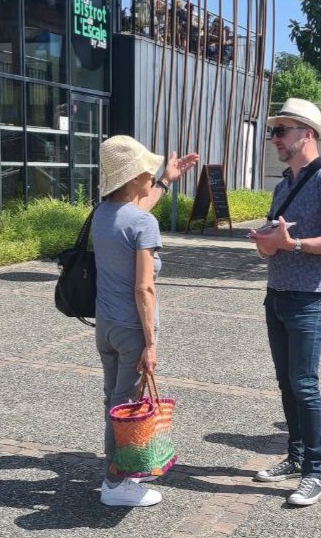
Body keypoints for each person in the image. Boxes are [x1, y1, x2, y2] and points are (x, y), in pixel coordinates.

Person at [249, 98, 321, 507]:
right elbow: (277, 240)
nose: (274, 138)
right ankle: (293, 457)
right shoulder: (282, 185)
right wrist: (266, 244)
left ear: (306, 133)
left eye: (282, 131)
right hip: (276, 295)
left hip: (311, 300)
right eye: (274, 131)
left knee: (305, 385)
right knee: (286, 383)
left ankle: (314, 472)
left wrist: (292, 244)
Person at [93, 136, 199, 508]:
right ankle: (116, 483)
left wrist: (167, 179)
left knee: (114, 401)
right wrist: (151, 342)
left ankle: (117, 473)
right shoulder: (143, 225)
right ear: (136, 175)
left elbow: (136, 210)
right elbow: (144, 289)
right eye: (148, 171)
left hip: (105, 327)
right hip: (131, 331)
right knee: (125, 405)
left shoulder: (102, 214)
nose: (150, 173)